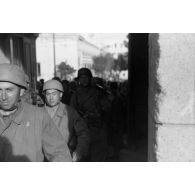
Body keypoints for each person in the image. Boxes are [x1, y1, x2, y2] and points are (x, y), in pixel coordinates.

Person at [0, 63, 72, 162]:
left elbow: (59, 153)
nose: (3, 96)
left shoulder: (38, 116)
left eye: (9, 90)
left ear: (21, 91)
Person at [43, 79, 90, 162]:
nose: (51, 97)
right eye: (48, 94)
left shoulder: (70, 112)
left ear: (60, 94)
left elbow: (83, 133)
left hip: (63, 157)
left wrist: (78, 152)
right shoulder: (38, 112)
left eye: (54, 94)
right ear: (44, 95)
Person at [70, 68, 110, 162]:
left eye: (86, 77)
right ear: (79, 80)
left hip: (96, 129)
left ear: (90, 78)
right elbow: (71, 113)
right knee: (83, 157)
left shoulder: (98, 92)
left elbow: (106, 108)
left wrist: (98, 112)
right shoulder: (75, 95)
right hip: (81, 130)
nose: (84, 79)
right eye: (82, 77)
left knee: (97, 156)